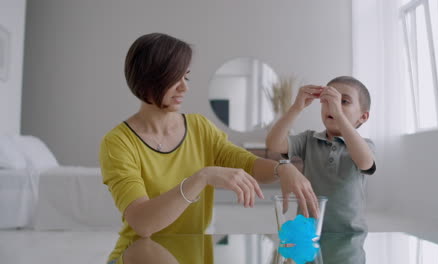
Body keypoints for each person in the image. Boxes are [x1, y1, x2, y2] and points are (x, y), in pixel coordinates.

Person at [99, 33, 318, 264]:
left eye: (186, 77)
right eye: (175, 77)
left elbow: (245, 162)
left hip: (193, 256)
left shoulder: (199, 128)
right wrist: (202, 177)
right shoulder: (118, 143)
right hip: (137, 255)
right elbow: (143, 224)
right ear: (148, 78)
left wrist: (282, 168)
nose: (184, 87)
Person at [266, 76, 376, 233]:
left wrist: (339, 114)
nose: (333, 106)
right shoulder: (309, 140)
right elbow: (274, 144)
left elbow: (365, 162)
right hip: (309, 232)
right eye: (328, 100)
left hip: (349, 234)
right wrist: (297, 107)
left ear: (363, 117)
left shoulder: (364, 146)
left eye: (343, 101)